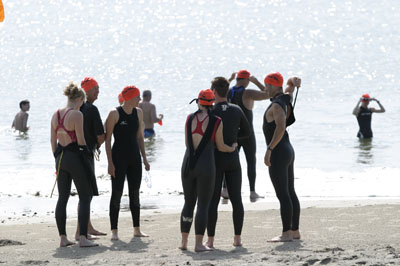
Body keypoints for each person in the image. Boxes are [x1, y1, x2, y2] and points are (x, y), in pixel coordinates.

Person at [179, 89, 237, 252]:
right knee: (203, 205)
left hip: (188, 163)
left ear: (198, 101)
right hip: (206, 165)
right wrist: (232, 148)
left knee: (188, 203)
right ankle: (198, 244)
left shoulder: (189, 118)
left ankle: (184, 243)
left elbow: (187, 143)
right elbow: (220, 146)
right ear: (212, 103)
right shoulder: (217, 121)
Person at [50, 82, 98, 247]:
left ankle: (63, 238)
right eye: (82, 102)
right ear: (78, 99)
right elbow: (81, 141)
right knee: (85, 196)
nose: (82, 105)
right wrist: (89, 155)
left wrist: (58, 158)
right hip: (75, 158)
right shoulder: (77, 115)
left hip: (60, 158)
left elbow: (52, 142)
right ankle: (83, 238)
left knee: (62, 198)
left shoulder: (55, 114)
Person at [206, 77, 251, 248]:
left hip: (216, 159)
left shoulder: (211, 111)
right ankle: (237, 239)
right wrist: (234, 141)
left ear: (214, 92)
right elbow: (247, 132)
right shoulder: (236, 109)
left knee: (213, 201)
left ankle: (210, 240)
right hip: (233, 159)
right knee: (236, 199)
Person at [104, 85, 150, 241]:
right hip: (118, 159)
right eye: (138, 97)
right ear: (130, 97)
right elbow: (108, 139)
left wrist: (144, 158)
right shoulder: (114, 113)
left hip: (134, 158)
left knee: (134, 194)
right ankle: (114, 231)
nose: (140, 100)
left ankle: (137, 229)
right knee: (116, 194)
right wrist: (110, 163)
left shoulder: (139, 112)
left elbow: (139, 137)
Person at [263, 72, 301, 242]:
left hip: (279, 152)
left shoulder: (277, 106)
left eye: (267, 85)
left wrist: (269, 149)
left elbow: (280, 127)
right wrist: (293, 80)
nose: (265, 89)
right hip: (288, 150)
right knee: (290, 192)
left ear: (274, 86)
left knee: (283, 194)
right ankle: (295, 231)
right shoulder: (286, 99)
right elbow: (290, 87)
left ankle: (286, 233)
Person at [227, 70, 269, 200]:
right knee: (251, 161)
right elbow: (269, 94)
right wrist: (256, 82)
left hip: (233, 133)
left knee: (230, 162)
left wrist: (229, 80)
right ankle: (252, 191)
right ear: (246, 80)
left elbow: (214, 92)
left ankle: (225, 190)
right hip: (247, 134)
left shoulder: (228, 92)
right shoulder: (248, 92)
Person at [74, 77, 106, 240]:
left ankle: (87, 227)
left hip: (72, 155)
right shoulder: (92, 109)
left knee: (83, 193)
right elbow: (101, 136)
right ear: (87, 91)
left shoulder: (74, 108)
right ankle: (80, 232)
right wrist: (98, 146)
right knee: (86, 194)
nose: (98, 92)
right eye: (96, 89)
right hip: (86, 155)